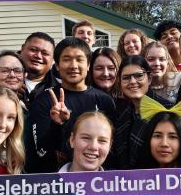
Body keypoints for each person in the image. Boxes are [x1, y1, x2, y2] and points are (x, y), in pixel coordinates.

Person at [29, 37, 116, 173]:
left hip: (98, 182)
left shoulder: (104, 100)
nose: (73, 65)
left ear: (88, 65)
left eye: (79, 59)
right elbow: (40, 152)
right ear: (57, 66)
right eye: (66, 59)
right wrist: (56, 125)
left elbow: (111, 148)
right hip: (55, 183)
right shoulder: (44, 101)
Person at [114, 55, 172, 169]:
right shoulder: (123, 116)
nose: (132, 82)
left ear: (149, 79)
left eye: (139, 76)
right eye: (126, 78)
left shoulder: (167, 110)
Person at [0, 32, 58, 107]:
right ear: (23, 48)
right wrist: (2, 87)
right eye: (33, 50)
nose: (38, 56)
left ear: (53, 59)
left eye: (45, 53)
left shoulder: (58, 87)